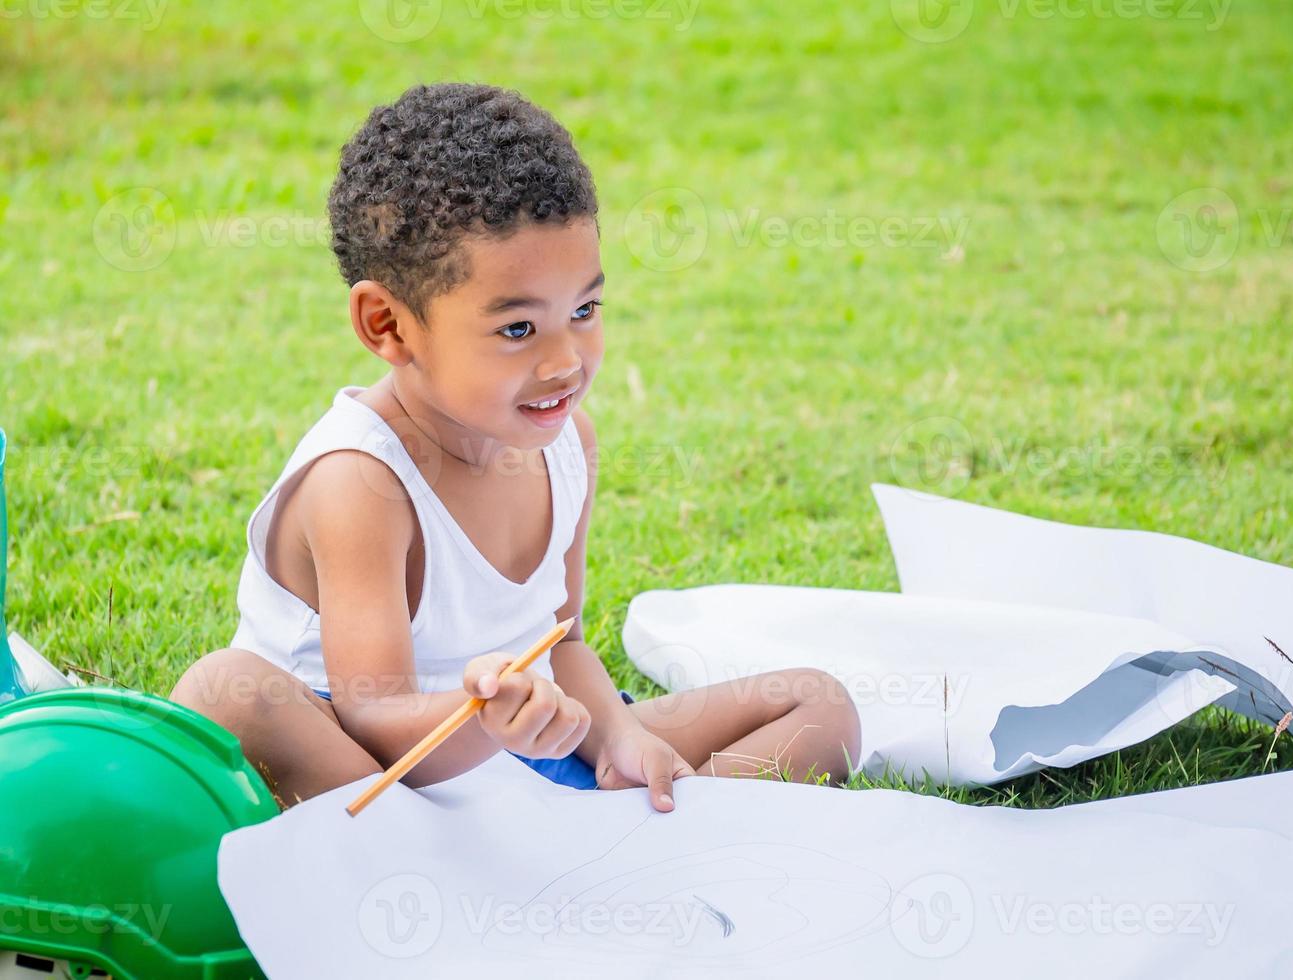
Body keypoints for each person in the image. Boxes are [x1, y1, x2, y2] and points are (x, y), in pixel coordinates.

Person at [170, 83, 860, 810]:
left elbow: (562, 643)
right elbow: (374, 714)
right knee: (224, 694)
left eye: (585, 310)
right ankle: (541, 857)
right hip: (381, 776)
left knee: (818, 705)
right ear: (389, 326)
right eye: (519, 329)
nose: (567, 362)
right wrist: (488, 724)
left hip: (530, 750)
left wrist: (618, 735)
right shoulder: (358, 483)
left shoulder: (566, 444)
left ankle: (613, 841)